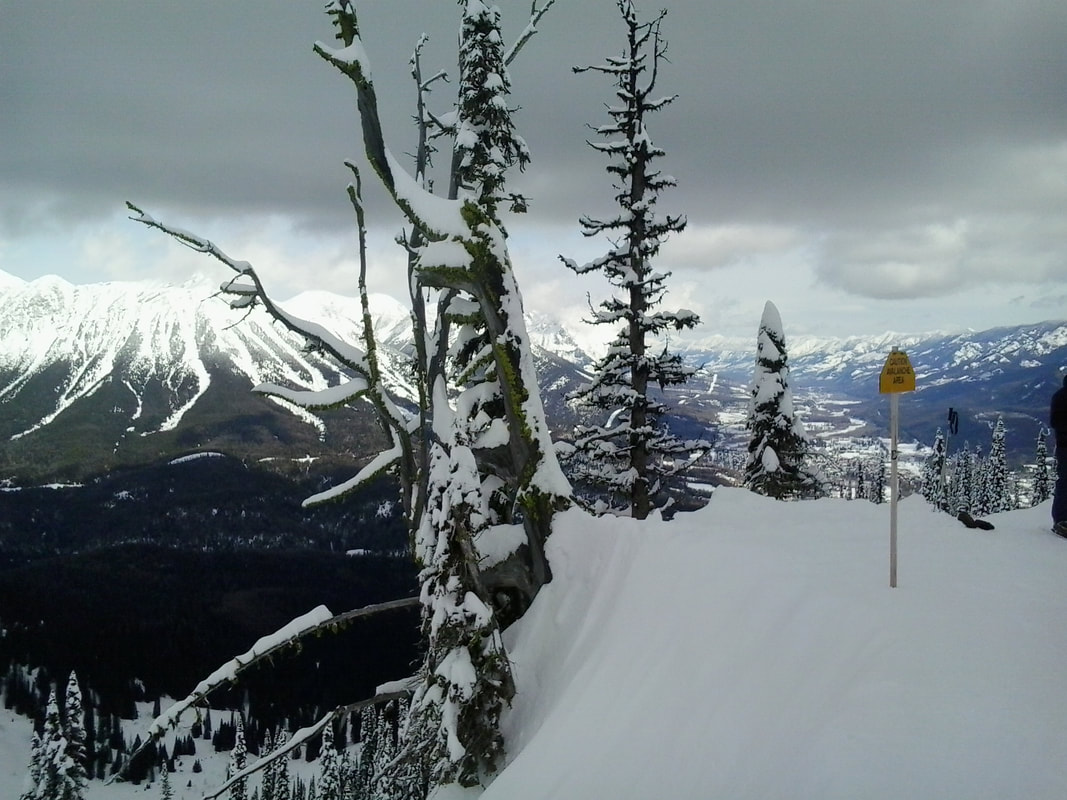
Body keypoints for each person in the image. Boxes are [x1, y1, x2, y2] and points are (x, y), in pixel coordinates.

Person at [1052, 372, 1067, 536]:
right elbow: (1056, 422)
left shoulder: (1059, 396)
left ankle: (1061, 518)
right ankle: (1061, 519)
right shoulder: (1061, 397)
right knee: (1065, 482)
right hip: (1065, 447)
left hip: (1063, 445)